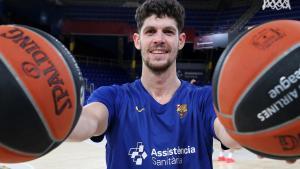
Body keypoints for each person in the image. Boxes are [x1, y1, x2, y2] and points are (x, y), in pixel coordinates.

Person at [68, 0, 295, 168]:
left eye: (168, 31)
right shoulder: (112, 97)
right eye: (150, 32)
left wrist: (269, 128)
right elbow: (85, 123)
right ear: (137, 41)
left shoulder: (203, 99)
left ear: (181, 41)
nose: (159, 39)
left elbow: (230, 135)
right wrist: (50, 115)